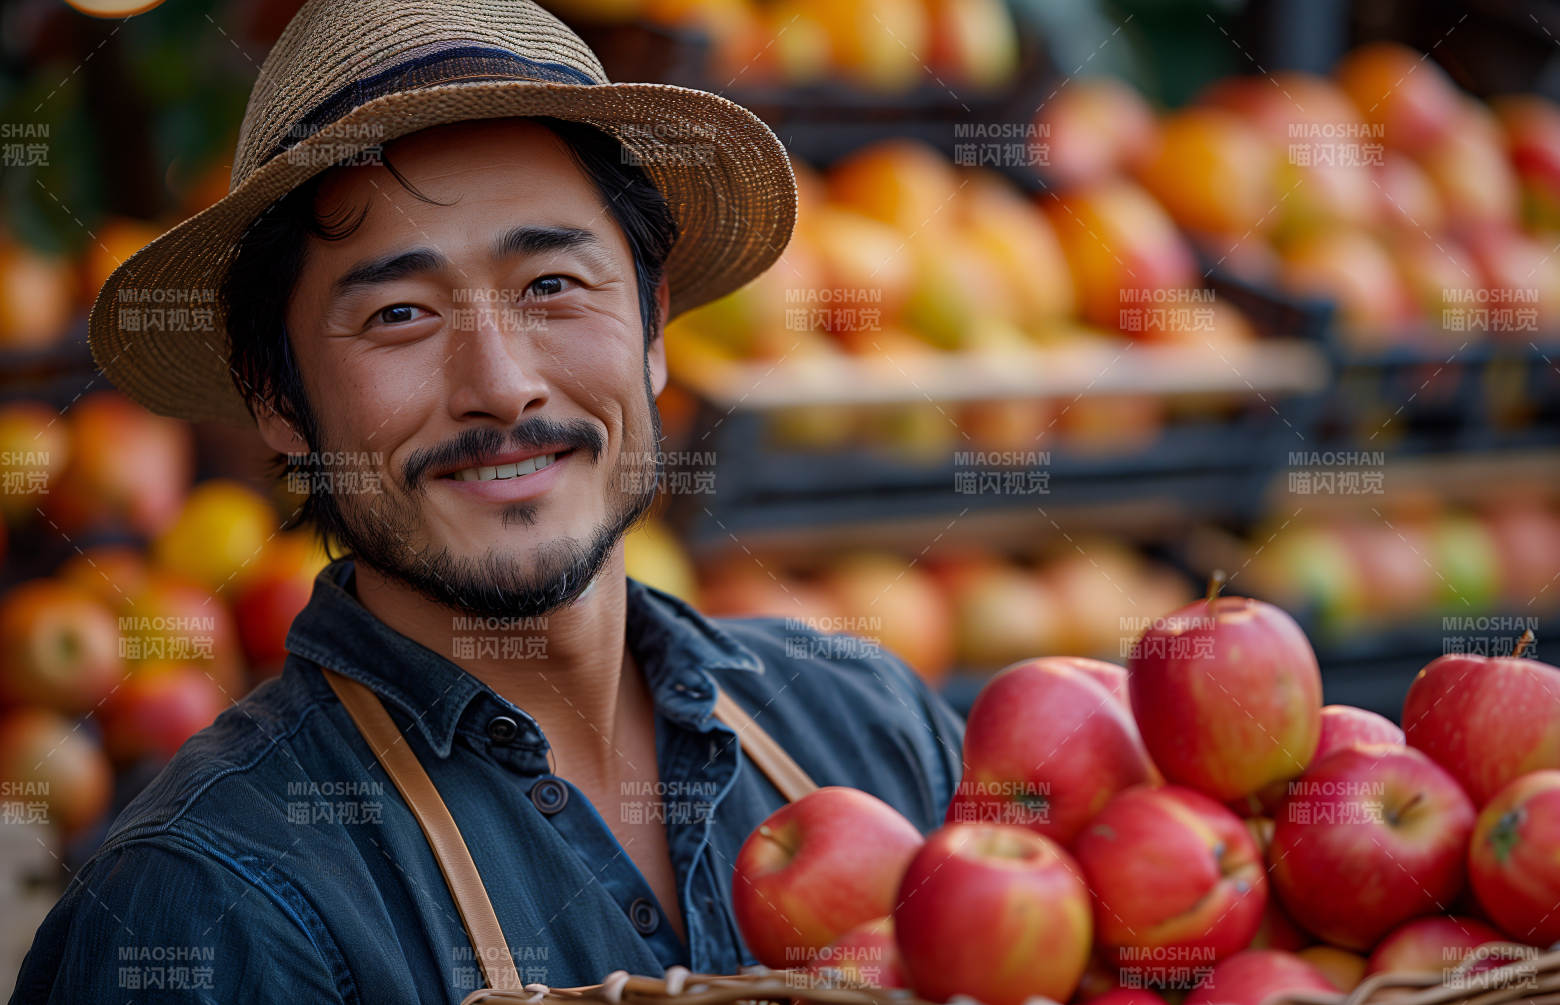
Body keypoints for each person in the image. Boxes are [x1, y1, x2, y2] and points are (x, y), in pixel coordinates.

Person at [9, 1, 964, 1002]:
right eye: (400, 314)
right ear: (275, 397)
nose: (502, 386)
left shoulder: (870, 729)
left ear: (653, 327)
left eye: (552, 284)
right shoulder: (211, 910)